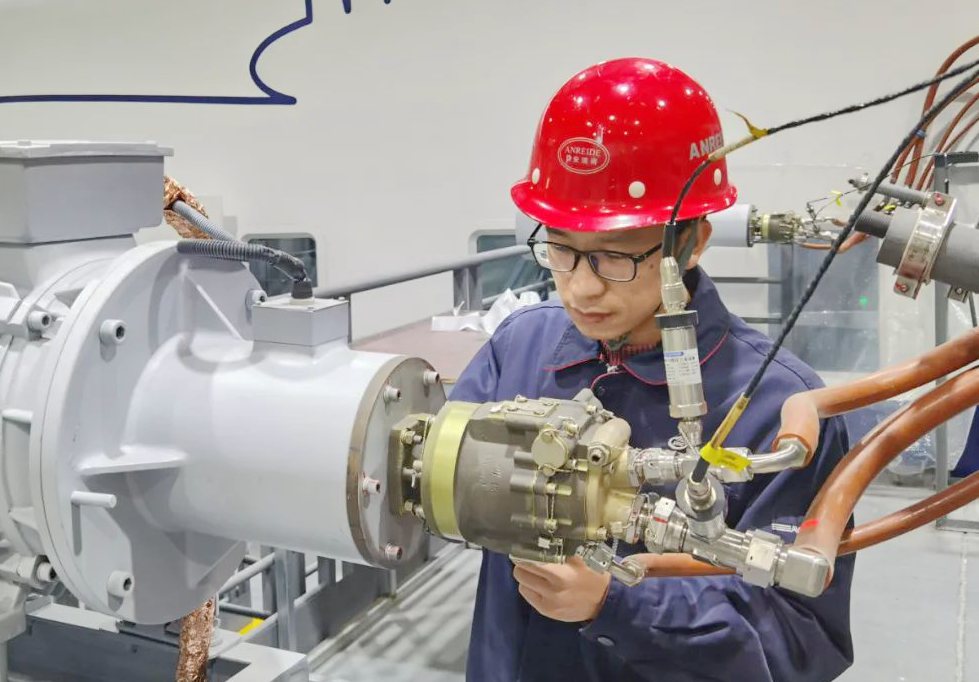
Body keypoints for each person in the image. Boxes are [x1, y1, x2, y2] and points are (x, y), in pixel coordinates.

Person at [450, 58, 855, 682]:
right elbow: (434, 484)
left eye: (614, 256)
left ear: (692, 241)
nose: (580, 287)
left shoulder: (778, 410)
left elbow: (802, 638)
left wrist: (619, 606)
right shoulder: (520, 347)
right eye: (559, 248)